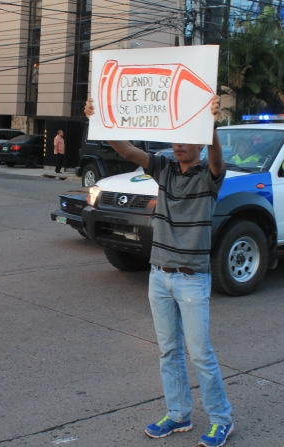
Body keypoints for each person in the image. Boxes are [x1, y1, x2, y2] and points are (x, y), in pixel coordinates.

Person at [85, 96, 234, 447]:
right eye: (175, 140)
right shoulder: (164, 167)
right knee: (168, 351)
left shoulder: (210, 177)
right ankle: (179, 414)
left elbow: (216, 157)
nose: (179, 145)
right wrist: (100, 120)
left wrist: (210, 125)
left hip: (192, 278)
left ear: (198, 141)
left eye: (187, 140)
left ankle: (221, 418)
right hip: (160, 276)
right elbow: (127, 151)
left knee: (200, 353)